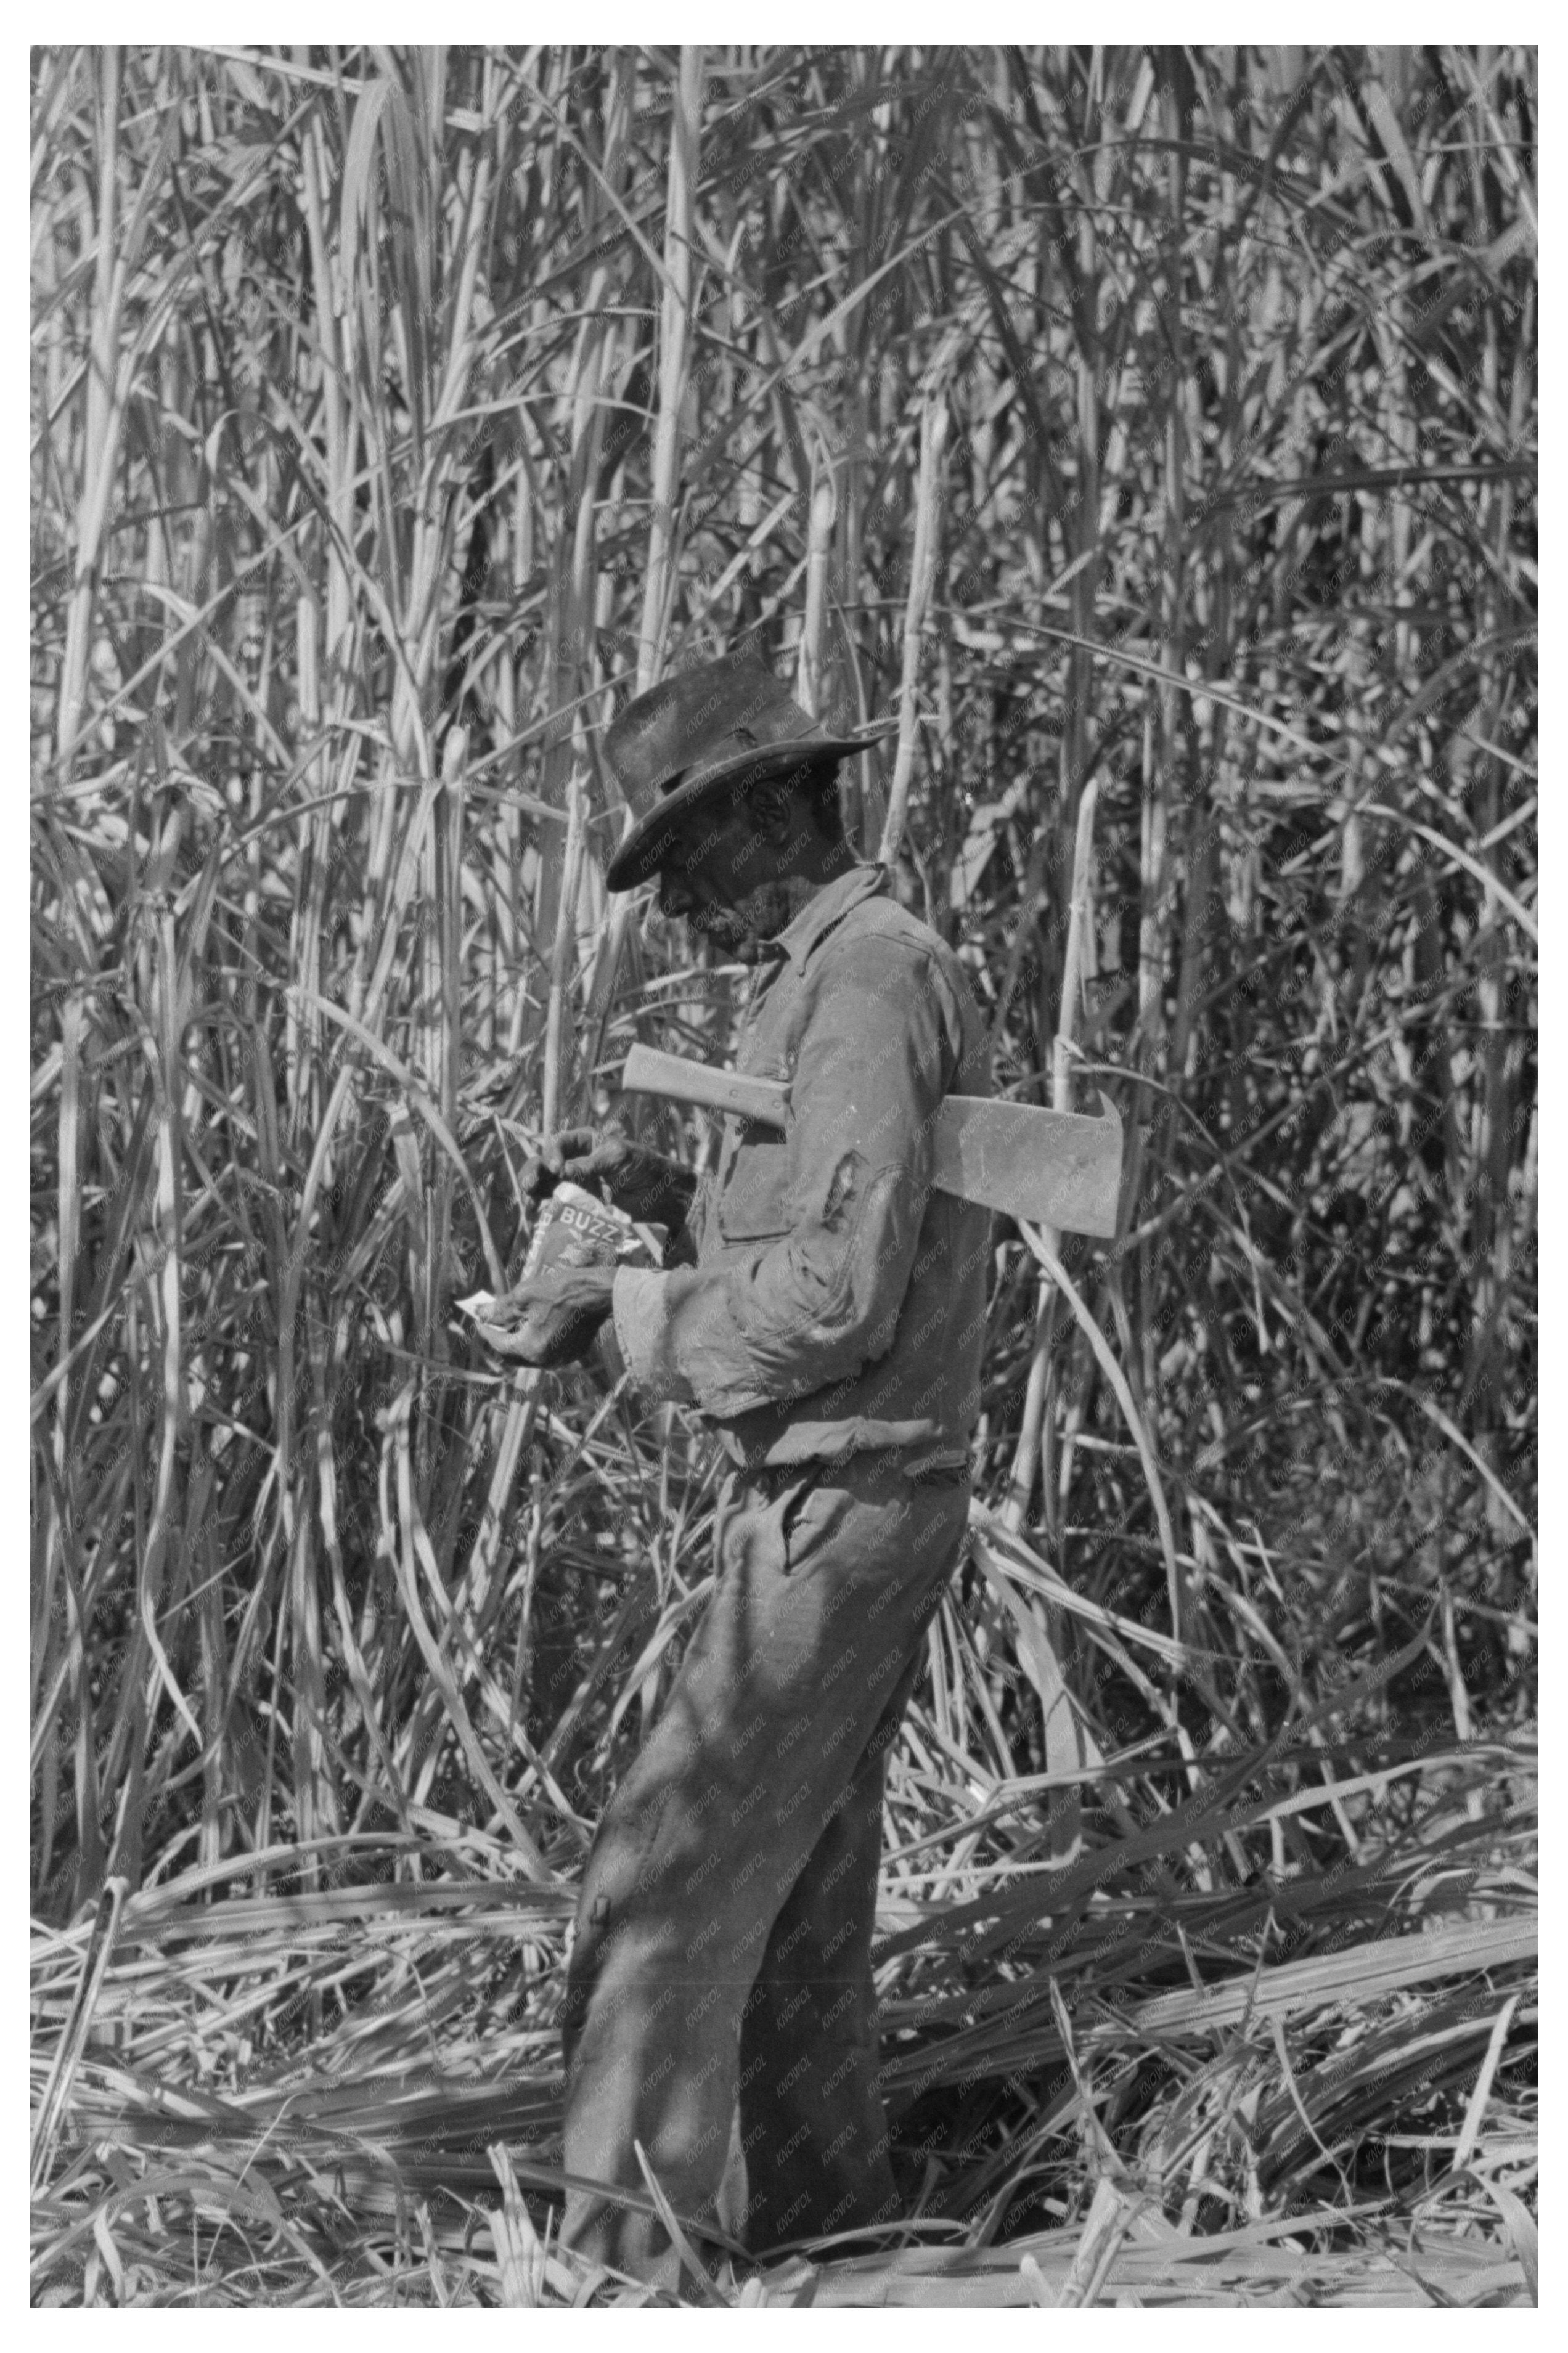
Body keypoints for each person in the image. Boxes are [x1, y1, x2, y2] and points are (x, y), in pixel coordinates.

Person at [490, 653, 992, 2290]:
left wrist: (624, 1313)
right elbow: (829, 1226)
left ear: (775, 806)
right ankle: (836, 2242)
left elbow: (840, 1298)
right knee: (796, 1896)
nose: (677, 902)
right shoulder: (835, 974)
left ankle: (620, 2273)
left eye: (686, 853)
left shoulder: (867, 985)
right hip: (846, 1494)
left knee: (663, 1880)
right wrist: (665, 1200)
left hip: (850, 1502)